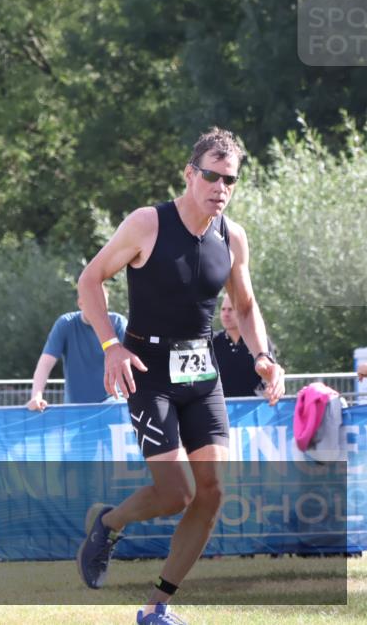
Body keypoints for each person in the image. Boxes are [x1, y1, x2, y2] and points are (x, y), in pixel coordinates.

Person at [75, 128, 285, 625]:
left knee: (211, 492)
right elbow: (90, 280)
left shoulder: (232, 236)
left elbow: (246, 305)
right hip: (148, 373)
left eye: (229, 179)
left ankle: (157, 608)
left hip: (202, 374)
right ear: (190, 174)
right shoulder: (148, 223)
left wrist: (263, 356)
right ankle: (107, 524)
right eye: (211, 175)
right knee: (177, 494)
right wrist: (111, 347)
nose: (220, 187)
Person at [26, 293, 127, 411]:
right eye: (94, 304)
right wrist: (36, 396)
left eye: (103, 305)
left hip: (112, 404)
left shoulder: (118, 323)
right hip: (75, 409)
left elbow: (134, 360)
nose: (99, 309)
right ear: (80, 303)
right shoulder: (65, 324)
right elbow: (45, 364)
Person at [212, 294, 277, 398]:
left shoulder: (259, 342)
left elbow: (272, 375)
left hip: (254, 407)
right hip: (223, 408)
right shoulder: (213, 342)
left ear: (242, 312)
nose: (226, 314)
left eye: (230, 309)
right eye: (223, 309)